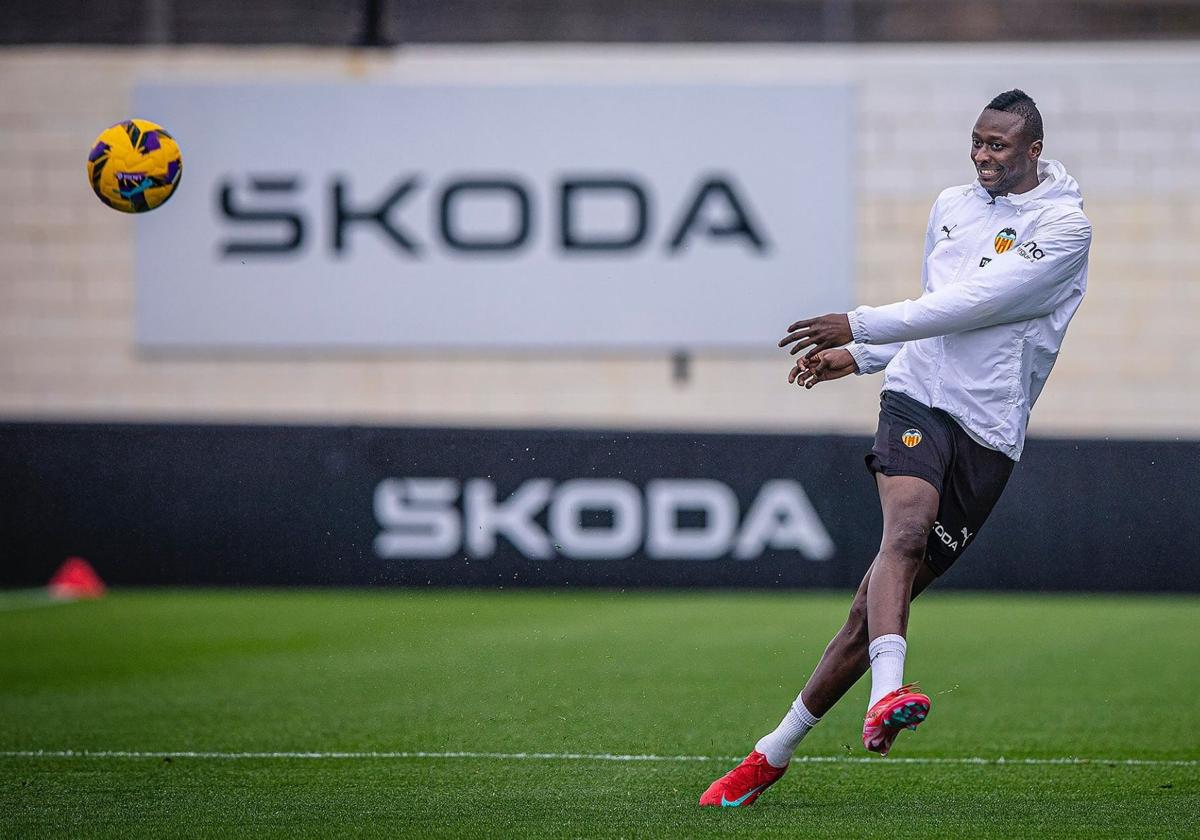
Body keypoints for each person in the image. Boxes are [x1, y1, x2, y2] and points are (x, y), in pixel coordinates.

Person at [700, 89, 1091, 808]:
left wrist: (857, 326)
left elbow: (978, 304)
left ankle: (771, 753)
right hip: (917, 400)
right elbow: (934, 305)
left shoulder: (1065, 230)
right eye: (975, 141)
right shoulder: (952, 203)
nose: (982, 156)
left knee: (870, 607)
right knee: (903, 534)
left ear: (1033, 151)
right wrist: (867, 358)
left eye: (998, 146)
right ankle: (889, 694)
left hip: (988, 431)